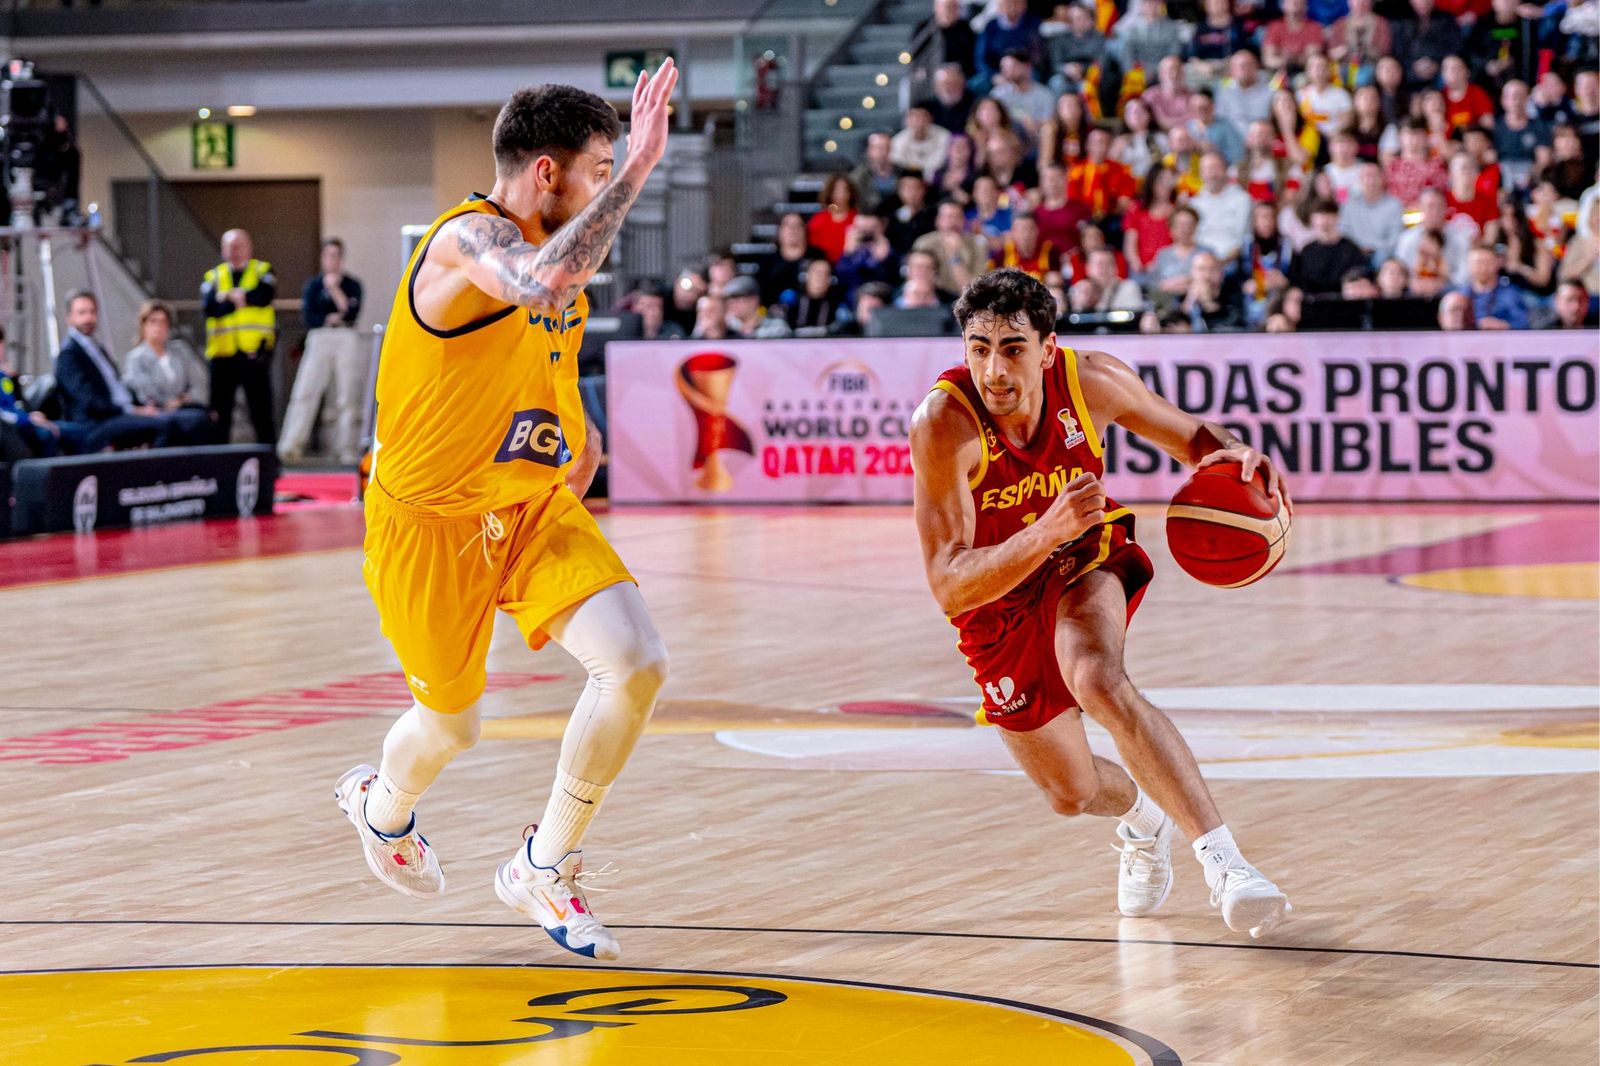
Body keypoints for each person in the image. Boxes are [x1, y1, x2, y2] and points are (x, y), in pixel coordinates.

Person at [334, 66, 678, 963]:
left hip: (525, 507)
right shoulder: (468, 243)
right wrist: (642, 166)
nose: (611, 182)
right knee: (453, 725)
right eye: (600, 168)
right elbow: (536, 281)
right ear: (548, 174)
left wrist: (580, 434)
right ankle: (381, 808)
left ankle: (544, 864)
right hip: (427, 525)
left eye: (616, 168)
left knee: (636, 662)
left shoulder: (567, 264)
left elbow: (547, 348)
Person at [909, 268, 1291, 939]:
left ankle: (1229, 866)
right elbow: (948, 582)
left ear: (1048, 348)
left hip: (1083, 553)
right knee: (1071, 793)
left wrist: (1238, 459)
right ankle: (1145, 815)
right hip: (993, 592)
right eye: (978, 347)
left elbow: (1192, 437)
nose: (994, 369)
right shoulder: (944, 424)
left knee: (1095, 676)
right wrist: (1042, 530)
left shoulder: (1093, 381)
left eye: (1013, 348)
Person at [279, 237, 366, 464]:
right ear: (322, 258)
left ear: (342, 258)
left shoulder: (352, 284)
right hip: (319, 337)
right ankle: (291, 447)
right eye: (328, 255)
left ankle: (346, 449)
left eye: (336, 256)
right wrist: (326, 316)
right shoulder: (313, 285)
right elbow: (309, 316)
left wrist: (335, 289)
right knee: (305, 392)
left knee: (347, 396)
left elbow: (350, 312)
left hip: (346, 336)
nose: (332, 260)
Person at [55, 290, 173, 452]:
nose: (88, 318)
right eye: (82, 313)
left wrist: (138, 406)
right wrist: (132, 410)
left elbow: (116, 386)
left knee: (177, 421)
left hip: (118, 414)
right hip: (95, 423)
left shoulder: (96, 347)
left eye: (92, 312)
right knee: (162, 427)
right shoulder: (69, 354)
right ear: (69, 318)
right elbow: (89, 401)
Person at [202, 228, 277, 445]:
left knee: (261, 411)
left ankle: (269, 462)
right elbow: (210, 307)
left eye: (238, 246)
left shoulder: (262, 270)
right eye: (229, 247)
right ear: (223, 250)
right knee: (220, 414)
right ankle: (219, 464)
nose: (234, 251)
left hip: (254, 354)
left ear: (248, 248)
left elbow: (264, 296)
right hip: (222, 354)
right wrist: (241, 299)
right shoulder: (213, 276)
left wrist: (229, 297)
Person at [122, 299, 214, 445]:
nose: (159, 327)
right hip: (159, 412)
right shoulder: (135, 358)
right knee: (197, 420)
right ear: (143, 325)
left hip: (187, 408)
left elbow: (198, 382)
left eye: (163, 322)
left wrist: (180, 402)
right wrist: (178, 400)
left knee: (205, 418)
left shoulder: (180, 349)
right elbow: (148, 392)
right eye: (154, 321)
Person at [1288, 199, 1372, 294]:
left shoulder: (1351, 249)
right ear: (1312, 220)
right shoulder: (1306, 251)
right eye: (1320, 217)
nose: (1324, 222)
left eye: (1328, 216)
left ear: (1337, 218)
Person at [1188, 151, 1253, 262]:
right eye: (1207, 169)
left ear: (1226, 170)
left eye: (1216, 167)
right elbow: (1192, 238)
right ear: (1201, 174)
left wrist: (1220, 262)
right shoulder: (1194, 203)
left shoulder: (1242, 199)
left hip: (1234, 259)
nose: (1212, 174)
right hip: (1200, 260)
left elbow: (1243, 239)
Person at [1340, 163, 1405, 261]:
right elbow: (1344, 233)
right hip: (1354, 253)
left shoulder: (1394, 205)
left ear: (1383, 179)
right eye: (1366, 176)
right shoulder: (1349, 205)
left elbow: (1395, 238)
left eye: (1375, 176)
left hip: (1382, 254)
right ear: (1360, 179)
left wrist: (1373, 247)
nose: (1370, 181)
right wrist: (1358, 248)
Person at [1456, 243, 1530, 329]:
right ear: (1469, 265)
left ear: (1497, 264)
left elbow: (1523, 323)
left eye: (1488, 262)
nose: (1483, 268)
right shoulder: (1459, 295)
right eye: (1478, 262)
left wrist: (1504, 325)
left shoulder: (1510, 294)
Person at [991, 51, 1057, 137]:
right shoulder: (998, 94)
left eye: (1011, 66)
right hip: (1008, 140)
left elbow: (1049, 123)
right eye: (1003, 67)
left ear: (1027, 67)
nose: (1006, 71)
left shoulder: (1045, 95)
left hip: (1036, 140)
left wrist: (1033, 124)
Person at [890, 104, 953, 180]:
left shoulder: (945, 136)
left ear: (930, 118)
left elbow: (940, 162)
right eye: (915, 118)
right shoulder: (898, 140)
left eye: (923, 117)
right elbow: (898, 162)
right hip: (909, 178)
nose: (919, 122)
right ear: (907, 121)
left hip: (937, 178)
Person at [808, 174, 859, 263]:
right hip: (824, 265)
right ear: (830, 192)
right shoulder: (818, 220)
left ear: (851, 193)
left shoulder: (858, 219)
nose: (841, 193)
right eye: (837, 189)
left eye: (845, 189)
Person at [723, 275, 793, 338]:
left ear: (754, 300)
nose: (731, 304)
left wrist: (752, 333)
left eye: (737, 298)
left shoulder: (776, 327)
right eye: (729, 300)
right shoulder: (727, 326)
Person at [886, 171, 939, 254]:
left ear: (923, 190)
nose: (911, 192)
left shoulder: (934, 214)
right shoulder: (892, 216)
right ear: (899, 192)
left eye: (915, 187)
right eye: (906, 188)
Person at [1263, 0, 1325, 70]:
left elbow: (1313, 57)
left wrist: (1287, 57)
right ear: (1283, 5)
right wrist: (1293, 59)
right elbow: (1268, 60)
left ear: (1306, 6)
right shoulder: (1274, 27)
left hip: (1305, 72)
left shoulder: (1314, 27)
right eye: (1290, 2)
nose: (1294, 4)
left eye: (1298, 2)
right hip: (1278, 72)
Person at [785, 258, 844, 331]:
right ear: (805, 276)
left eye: (825, 273)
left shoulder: (838, 307)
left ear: (831, 280)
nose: (820, 277)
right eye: (816, 272)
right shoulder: (792, 301)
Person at [924, 0, 978, 76]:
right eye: (948, 7)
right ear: (937, 8)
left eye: (955, 7)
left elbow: (971, 56)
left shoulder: (965, 29)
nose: (951, 11)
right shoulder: (925, 29)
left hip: (959, 74)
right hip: (930, 73)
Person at [921, 63, 977, 134]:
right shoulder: (926, 108)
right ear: (936, 86)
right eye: (946, 83)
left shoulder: (975, 105)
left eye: (955, 83)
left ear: (963, 84)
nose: (951, 87)